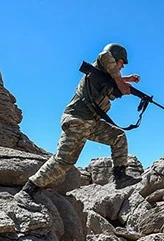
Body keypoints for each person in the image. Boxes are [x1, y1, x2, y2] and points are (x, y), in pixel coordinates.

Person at [15, 43, 142, 207]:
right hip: (77, 120)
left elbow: (111, 81)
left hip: (90, 123)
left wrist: (125, 80)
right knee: (64, 160)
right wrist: (120, 80)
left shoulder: (106, 78)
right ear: (115, 57)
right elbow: (105, 56)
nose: (122, 66)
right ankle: (27, 191)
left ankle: (120, 176)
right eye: (121, 63)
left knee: (118, 136)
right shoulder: (101, 64)